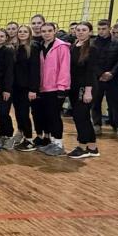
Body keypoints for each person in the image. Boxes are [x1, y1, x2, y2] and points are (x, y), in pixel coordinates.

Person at [34, 22, 71, 156]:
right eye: (44, 31)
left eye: (49, 30)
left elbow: (65, 68)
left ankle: (59, 144)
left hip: (56, 88)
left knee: (55, 116)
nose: (46, 33)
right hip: (43, 88)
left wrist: (62, 87)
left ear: (55, 31)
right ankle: (53, 142)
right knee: (48, 116)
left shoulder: (62, 47)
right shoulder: (40, 46)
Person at [66, 22, 100, 158]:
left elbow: (90, 71)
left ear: (90, 32)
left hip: (85, 87)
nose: (80, 32)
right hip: (74, 87)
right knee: (83, 117)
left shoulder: (92, 48)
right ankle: (92, 147)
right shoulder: (74, 46)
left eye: (84, 30)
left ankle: (82, 146)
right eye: (78, 30)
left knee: (80, 116)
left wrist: (88, 91)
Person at [91, 19, 118, 138]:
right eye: (99, 29)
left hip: (114, 78)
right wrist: (101, 74)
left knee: (116, 103)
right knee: (95, 102)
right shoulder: (92, 43)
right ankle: (97, 124)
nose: (101, 31)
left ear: (109, 29)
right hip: (97, 78)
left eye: (104, 29)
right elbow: (92, 61)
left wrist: (111, 73)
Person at [13, 25, 42, 152]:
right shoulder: (15, 47)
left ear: (29, 34)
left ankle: (29, 140)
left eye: (25, 31)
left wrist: (33, 89)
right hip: (16, 87)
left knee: (24, 113)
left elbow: (35, 70)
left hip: (27, 87)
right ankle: (25, 137)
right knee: (18, 113)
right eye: (20, 31)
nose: (22, 33)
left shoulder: (33, 47)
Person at [0, 28, 15, 148]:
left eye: (2, 36)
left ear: (6, 37)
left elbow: (9, 71)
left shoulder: (8, 50)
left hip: (5, 87)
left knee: (3, 112)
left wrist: (7, 89)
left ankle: (9, 136)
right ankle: (1, 135)